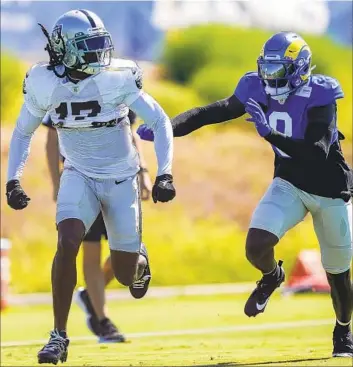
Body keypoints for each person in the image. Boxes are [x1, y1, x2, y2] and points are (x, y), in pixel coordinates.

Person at [137, 31, 353, 358]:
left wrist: (270, 133)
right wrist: (165, 126)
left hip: (330, 189)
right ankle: (271, 276)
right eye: (268, 69)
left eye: (280, 70)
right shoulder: (255, 86)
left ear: (300, 69)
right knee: (256, 244)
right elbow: (214, 111)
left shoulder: (321, 93)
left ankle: (343, 330)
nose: (271, 78)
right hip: (290, 182)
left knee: (338, 274)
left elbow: (317, 151)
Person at [6, 9, 176, 365]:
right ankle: (58, 336)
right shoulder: (43, 81)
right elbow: (24, 131)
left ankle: (138, 261)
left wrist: (164, 172)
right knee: (67, 242)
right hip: (78, 174)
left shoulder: (118, 77)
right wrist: (13, 179)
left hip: (121, 178)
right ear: (65, 50)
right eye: (89, 47)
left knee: (127, 275)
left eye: (101, 45)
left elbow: (158, 120)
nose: (100, 54)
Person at [44, 109, 152, 343]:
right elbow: (52, 139)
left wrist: (143, 172)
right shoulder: (60, 86)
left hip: (119, 181)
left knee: (125, 254)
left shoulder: (118, 81)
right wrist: (56, 183)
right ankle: (103, 321)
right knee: (90, 252)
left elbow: (130, 133)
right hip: (82, 181)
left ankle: (90, 295)